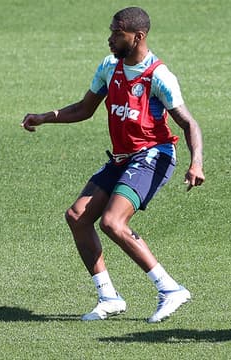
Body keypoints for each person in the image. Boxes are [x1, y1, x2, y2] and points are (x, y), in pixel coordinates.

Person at [21, 7, 204, 323]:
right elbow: (84, 108)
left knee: (112, 222)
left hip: (154, 155)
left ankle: (170, 289)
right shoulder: (109, 67)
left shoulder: (159, 76)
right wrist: (46, 117)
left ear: (138, 37)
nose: (110, 39)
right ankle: (108, 297)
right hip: (123, 158)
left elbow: (189, 124)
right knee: (77, 216)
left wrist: (196, 163)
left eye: (117, 34)